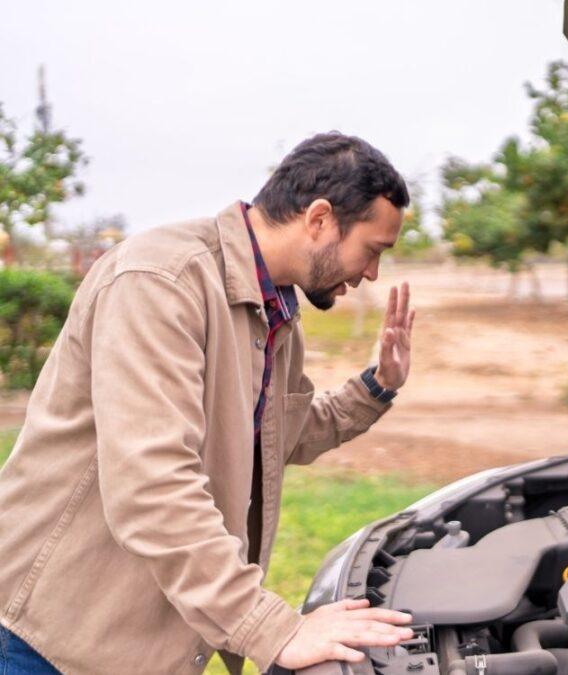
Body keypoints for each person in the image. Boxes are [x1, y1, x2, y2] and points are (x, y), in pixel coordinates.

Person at [0, 133, 418, 674]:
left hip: (139, 647)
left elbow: (274, 437)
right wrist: (273, 629)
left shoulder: (274, 311)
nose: (371, 274)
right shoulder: (160, 282)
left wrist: (377, 385)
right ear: (319, 220)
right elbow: (151, 487)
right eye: (373, 250)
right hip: (49, 642)